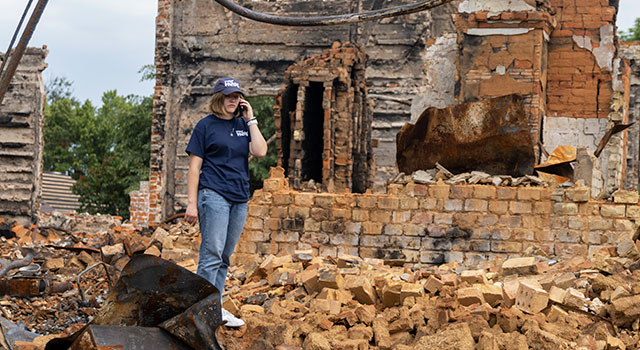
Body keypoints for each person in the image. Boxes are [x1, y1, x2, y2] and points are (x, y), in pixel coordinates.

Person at [184, 77, 267, 327]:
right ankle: (200, 310)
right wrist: (191, 203)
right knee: (211, 253)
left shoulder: (244, 125)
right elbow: (194, 168)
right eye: (229, 96)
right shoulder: (205, 126)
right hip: (213, 194)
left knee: (225, 257)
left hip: (239, 197)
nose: (233, 100)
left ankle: (214, 307)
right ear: (218, 97)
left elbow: (260, 151)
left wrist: (251, 117)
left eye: (237, 96)